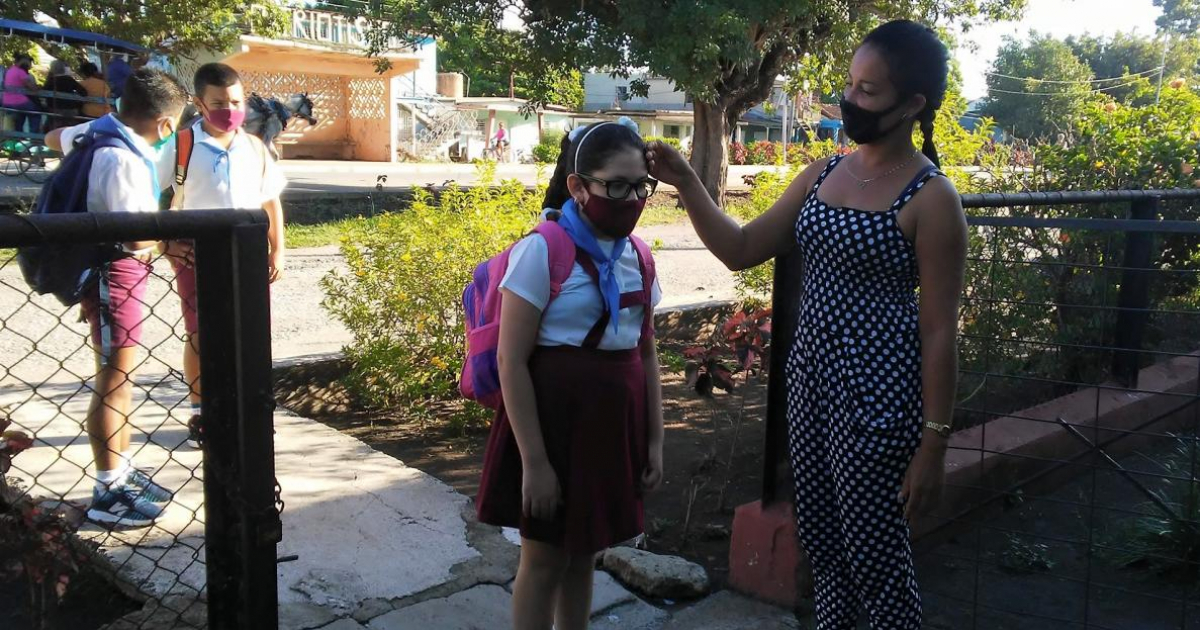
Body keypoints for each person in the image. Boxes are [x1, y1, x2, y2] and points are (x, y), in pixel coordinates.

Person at [647, 20, 966, 629]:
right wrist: (687, 181)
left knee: (876, 561)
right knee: (823, 548)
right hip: (812, 388)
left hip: (880, 402)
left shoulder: (931, 197)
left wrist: (935, 444)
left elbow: (940, 331)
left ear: (912, 104)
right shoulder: (822, 173)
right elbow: (741, 248)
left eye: (868, 92)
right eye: (850, 84)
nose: (850, 100)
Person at [474, 118, 665, 630]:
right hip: (552, 428)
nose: (631, 198)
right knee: (543, 560)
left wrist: (654, 440)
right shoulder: (542, 251)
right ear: (579, 187)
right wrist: (535, 463)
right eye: (615, 186)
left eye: (640, 186)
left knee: (586, 554)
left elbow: (645, 352)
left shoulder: (638, 258)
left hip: (608, 428)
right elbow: (511, 362)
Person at [44, 68, 191, 527]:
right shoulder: (123, 160)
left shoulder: (96, 132)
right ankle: (108, 488)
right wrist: (168, 241)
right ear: (166, 125)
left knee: (119, 375)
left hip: (111, 272)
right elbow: (136, 237)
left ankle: (121, 471)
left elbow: (53, 136)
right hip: (115, 275)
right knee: (116, 378)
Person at [157, 62, 287, 449]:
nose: (228, 110)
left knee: (247, 330)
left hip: (246, 252)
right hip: (197, 255)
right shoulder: (181, 146)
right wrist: (166, 245)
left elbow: (270, 200)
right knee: (201, 334)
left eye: (234, 101)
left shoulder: (254, 148)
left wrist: (277, 249)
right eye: (217, 102)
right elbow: (156, 199)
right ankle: (201, 410)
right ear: (199, 103)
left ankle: (245, 403)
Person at [3, 54, 44, 134]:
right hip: (18, 101)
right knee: (36, 113)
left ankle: (19, 137)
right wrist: (39, 87)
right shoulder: (21, 72)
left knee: (20, 116)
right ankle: (34, 135)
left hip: (6, 101)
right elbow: (32, 88)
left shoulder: (10, 70)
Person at [44, 60, 87, 131]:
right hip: (70, 109)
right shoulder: (68, 80)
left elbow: (44, 93)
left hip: (54, 108)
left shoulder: (50, 81)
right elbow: (83, 92)